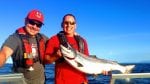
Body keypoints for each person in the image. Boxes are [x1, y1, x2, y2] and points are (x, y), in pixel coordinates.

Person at [0, 9, 48, 84]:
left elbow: (57, 44)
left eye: (38, 25)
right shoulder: (15, 38)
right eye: (32, 22)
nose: (34, 27)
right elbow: (4, 53)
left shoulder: (43, 38)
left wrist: (72, 35)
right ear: (25, 20)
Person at [45, 14, 89, 84]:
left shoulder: (83, 41)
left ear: (75, 25)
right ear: (62, 24)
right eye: (66, 23)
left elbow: (88, 61)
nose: (69, 25)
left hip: (82, 82)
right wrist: (56, 56)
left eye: (72, 23)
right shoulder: (54, 39)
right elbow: (46, 60)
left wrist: (101, 69)